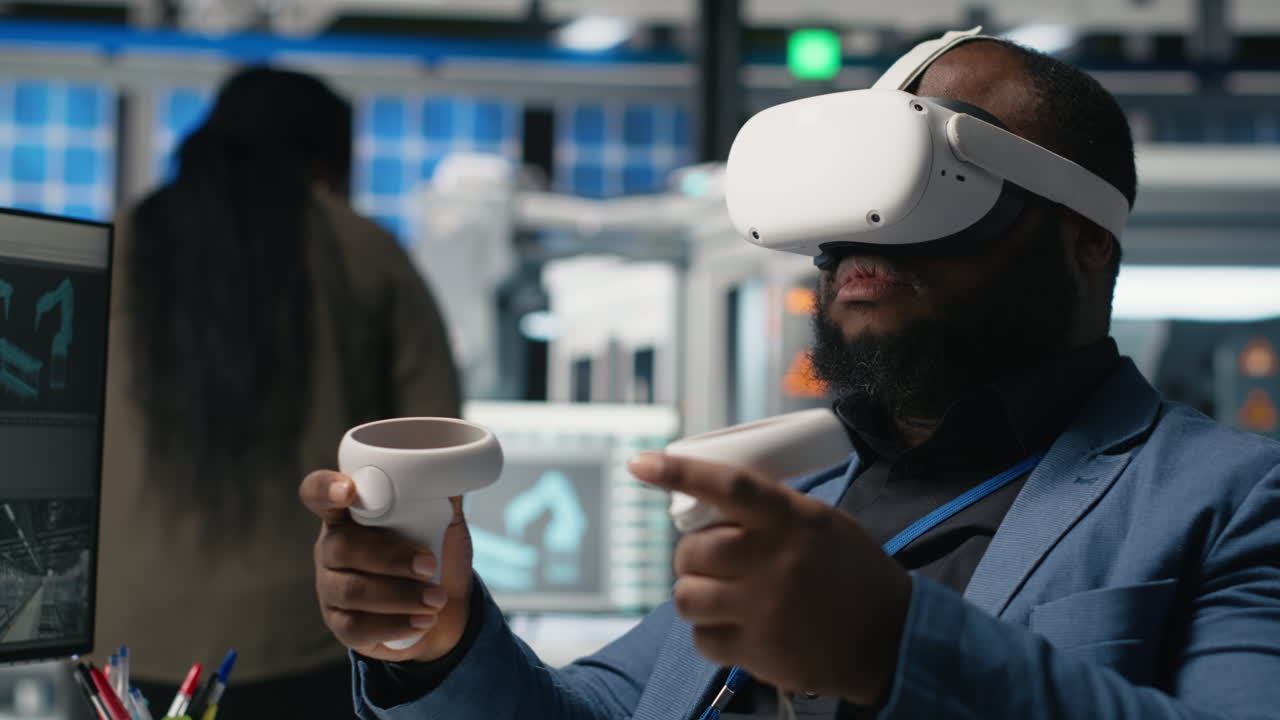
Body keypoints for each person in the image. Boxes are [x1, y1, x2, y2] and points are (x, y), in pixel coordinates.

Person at [299, 33, 1280, 720]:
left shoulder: (1227, 497)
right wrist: (443, 639)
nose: (865, 233)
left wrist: (896, 649)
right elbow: (603, 707)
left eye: (938, 187)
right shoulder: (797, 487)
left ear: (1082, 243)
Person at [97, 67, 461, 719]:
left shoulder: (117, 241)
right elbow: (435, 447)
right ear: (326, 163)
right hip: (311, 635)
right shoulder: (367, 252)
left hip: (123, 645)